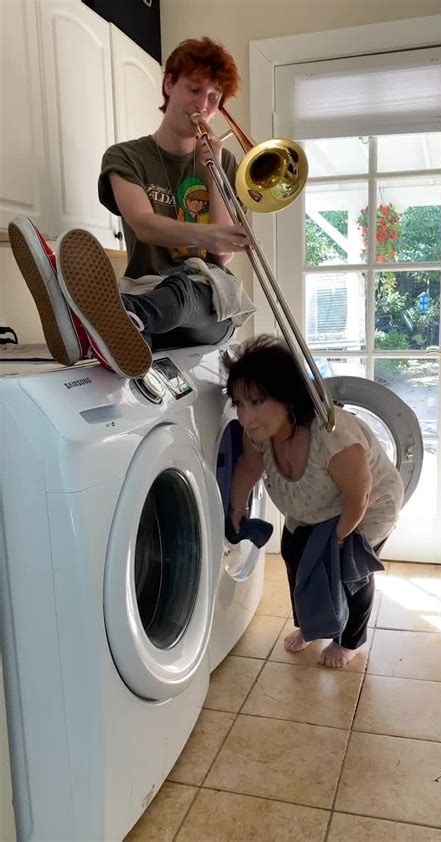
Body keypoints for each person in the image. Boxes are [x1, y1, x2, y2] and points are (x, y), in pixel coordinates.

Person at [8, 36, 254, 378]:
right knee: (162, 302)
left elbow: (222, 256)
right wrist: (209, 233)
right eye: (194, 90)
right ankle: (113, 325)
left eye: (214, 98)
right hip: (148, 292)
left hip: (209, 305)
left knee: (183, 287)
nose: (203, 105)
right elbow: (143, 224)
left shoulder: (225, 165)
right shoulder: (126, 157)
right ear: (169, 84)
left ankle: (87, 318)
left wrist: (214, 170)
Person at [225, 336, 404, 668]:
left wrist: (337, 540)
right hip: (312, 507)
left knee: (348, 572)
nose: (246, 417)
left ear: (288, 397)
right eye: (239, 404)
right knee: (296, 556)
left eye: (257, 401)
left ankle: (350, 641)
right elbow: (249, 466)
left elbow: (359, 495)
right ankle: (313, 624)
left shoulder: (332, 435)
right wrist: (238, 508)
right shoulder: (258, 432)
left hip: (367, 506)